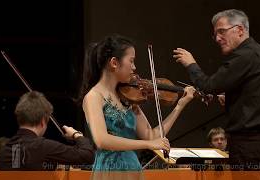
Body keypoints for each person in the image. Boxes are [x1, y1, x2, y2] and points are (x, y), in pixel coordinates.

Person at [173, 9, 260, 170]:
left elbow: (209, 86)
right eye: (215, 34)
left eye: (222, 31)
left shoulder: (244, 56)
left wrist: (191, 64)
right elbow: (256, 97)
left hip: (248, 145)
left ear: (240, 30)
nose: (217, 38)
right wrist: (233, 99)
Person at [77, 34, 195, 172]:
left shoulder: (127, 98)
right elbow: (101, 140)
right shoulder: (94, 96)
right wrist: (148, 144)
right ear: (114, 63)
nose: (134, 67)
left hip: (133, 167)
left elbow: (152, 135)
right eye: (131, 61)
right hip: (110, 169)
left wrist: (180, 106)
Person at [0, 91, 95, 171]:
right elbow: (87, 156)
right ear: (43, 121)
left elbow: (19, 166)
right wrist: (76, 135)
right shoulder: (44, 147)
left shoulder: (4, 151)